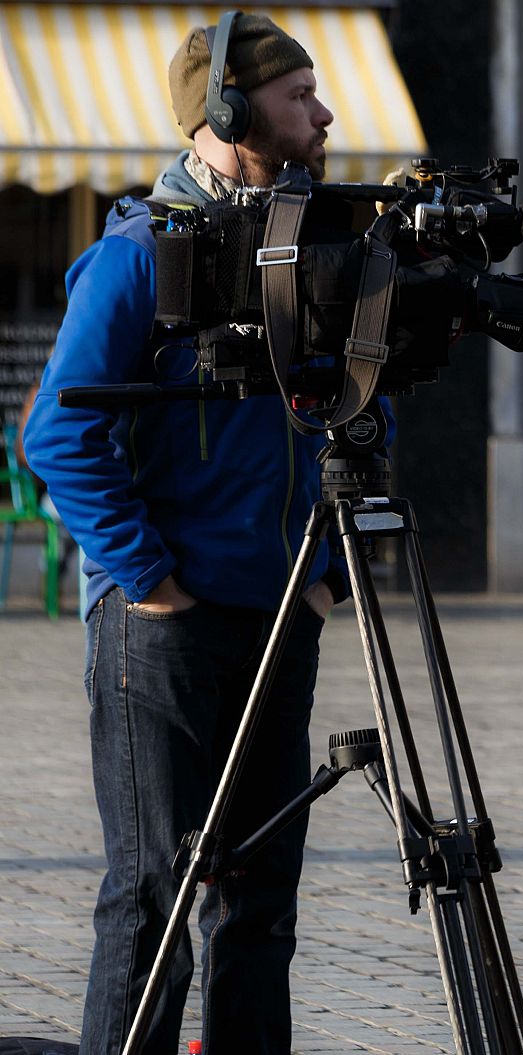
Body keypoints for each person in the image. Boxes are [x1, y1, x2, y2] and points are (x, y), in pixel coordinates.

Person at [23, 15, 347, 1054]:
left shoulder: (303, 253)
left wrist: (325, 572)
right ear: (230, 111)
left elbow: (344, 414)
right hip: (161, 626)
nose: (324, 114)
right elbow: (56, 433)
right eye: (300, 96)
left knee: (259, 898)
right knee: (152, 896)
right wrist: (147, 577)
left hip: (279, 612)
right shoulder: (134, 258)